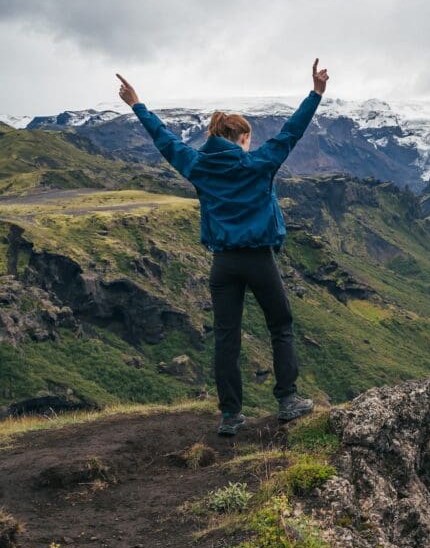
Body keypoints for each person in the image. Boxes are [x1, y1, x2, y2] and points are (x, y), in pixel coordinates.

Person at [116, 60, 330, 435]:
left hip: (223, 264)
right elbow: (290, 133)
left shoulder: (197, 165)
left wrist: (137, 104)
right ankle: (287, 400)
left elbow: (164, 140)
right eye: (249, 138)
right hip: (259, 260)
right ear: (242, 137)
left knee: (226, 337)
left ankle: (230, 416)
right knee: (280, 325)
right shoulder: (258, 164)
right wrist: (315, 94)